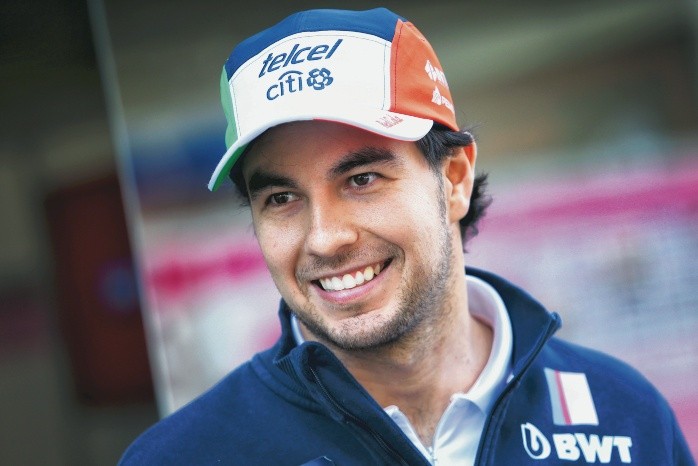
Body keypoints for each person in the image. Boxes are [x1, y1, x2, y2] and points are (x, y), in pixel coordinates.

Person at [120, 7, 694, 465]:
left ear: (454, 180)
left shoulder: (627, 417)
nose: (324, 239)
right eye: (281, 198)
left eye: (362, 179)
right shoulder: (184, 457)